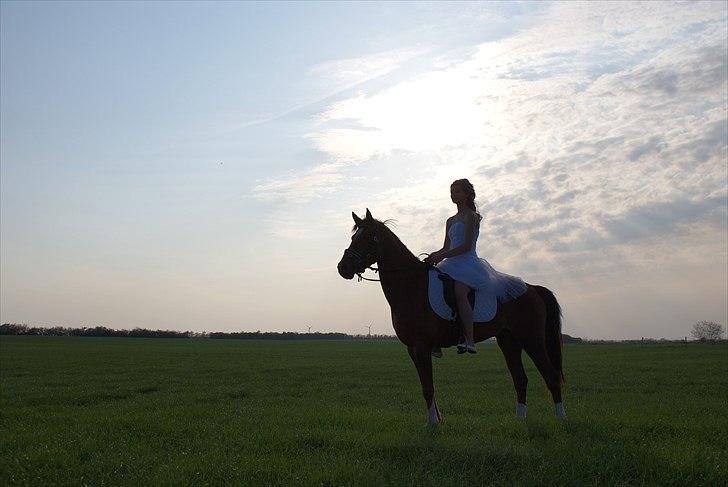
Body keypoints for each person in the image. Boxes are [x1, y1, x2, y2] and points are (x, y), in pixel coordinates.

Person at [424, 179, 527, 354]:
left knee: (460, 292)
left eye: (457, 191)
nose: (453, 194)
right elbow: (446, 247)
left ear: (467, 194)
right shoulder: (450, 220)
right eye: (452, 191)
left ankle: (470, 339)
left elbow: (465, 246)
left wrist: (442, 256)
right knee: (434, 286)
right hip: (450, 262)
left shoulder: (471, 217)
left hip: (468, 263)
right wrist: (435, 255)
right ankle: (438, 337)